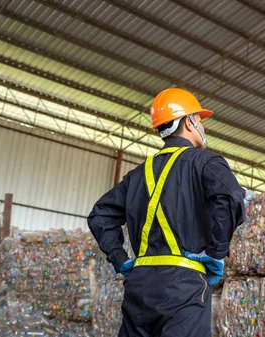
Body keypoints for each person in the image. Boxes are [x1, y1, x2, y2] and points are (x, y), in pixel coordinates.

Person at [87, 88, 246, 337]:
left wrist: (120, 259)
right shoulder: (206, 163)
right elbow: (232, 197)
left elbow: (99, 216)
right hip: (184, 286)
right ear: (188, 122)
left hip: (138, 286)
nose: (203, 128)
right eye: (200, 121)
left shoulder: (138, 175)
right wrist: (216, 252)